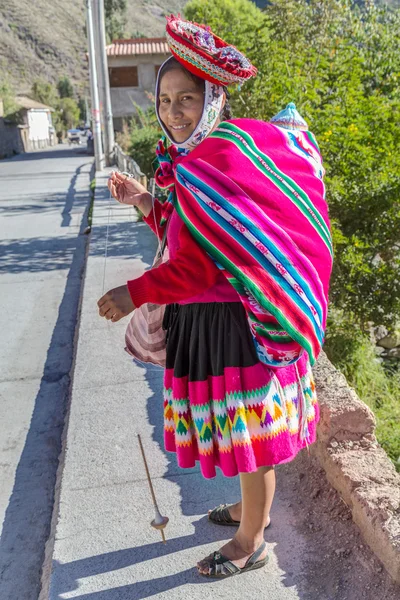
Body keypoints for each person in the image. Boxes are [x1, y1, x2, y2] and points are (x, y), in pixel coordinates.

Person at [98, 15, 332, 578]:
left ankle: (252, 540)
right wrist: (144, 201)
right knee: (237, 430)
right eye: (165, 99)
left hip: (233, 325)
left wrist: (133, 293)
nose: (173, 111)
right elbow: (189, 229)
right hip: (209, 323)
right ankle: (252, 509)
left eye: (187, 99)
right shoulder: (191, 162)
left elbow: (198, 266)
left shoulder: (215, 158)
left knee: (250, 434)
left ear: (212, 100)